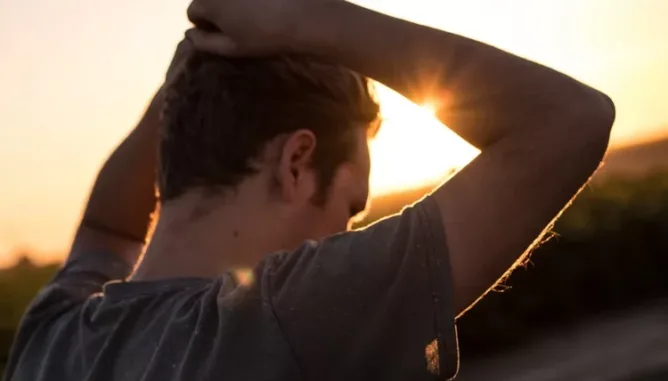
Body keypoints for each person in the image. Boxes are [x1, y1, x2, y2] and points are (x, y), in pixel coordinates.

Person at [5, 0, 615, 379]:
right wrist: (303, 15)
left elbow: (107, 229)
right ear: (296, 162)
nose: (345, 236)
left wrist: (185, 77)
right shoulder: (281, 323)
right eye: (350, 209)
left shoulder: (53, 334)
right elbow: (569, 122)